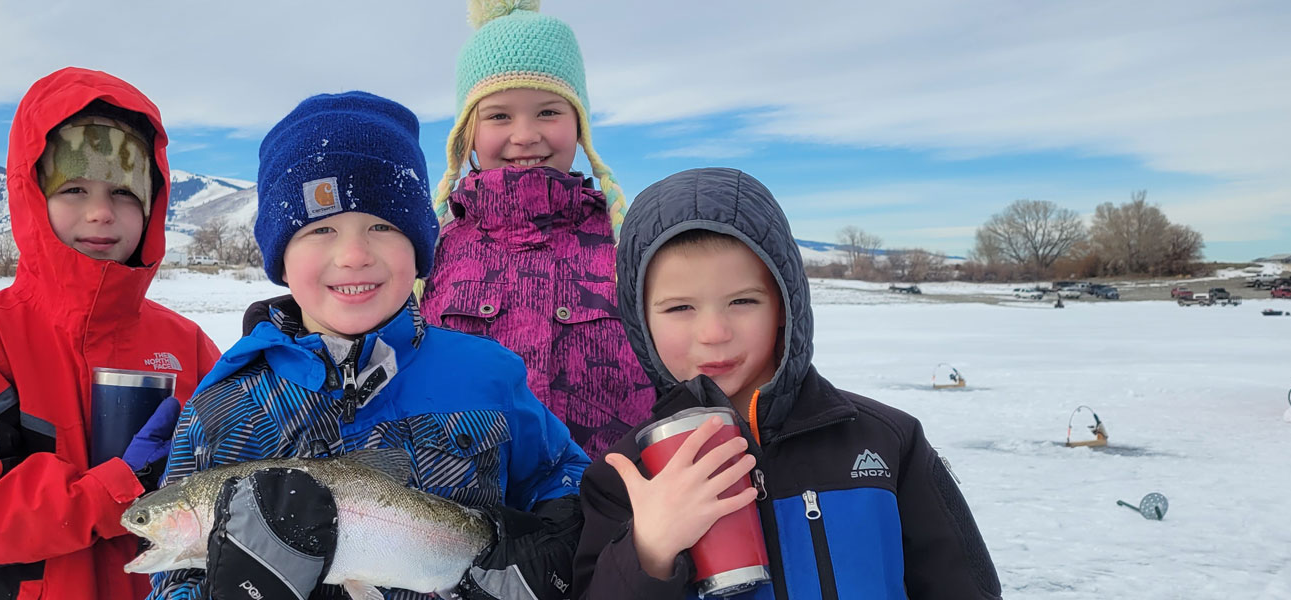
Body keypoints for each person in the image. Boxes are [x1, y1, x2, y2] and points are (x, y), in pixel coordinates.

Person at [148, 91, 588, 600]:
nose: (354, 254)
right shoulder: (222, 409)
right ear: (280, 256)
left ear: (418, 246)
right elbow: (172, 577)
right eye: (321, 229)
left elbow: (564, 473)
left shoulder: (488, 376)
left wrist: (553, 541)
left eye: (382, 226)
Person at [575, 168, 1002, 599]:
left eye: (742, 301)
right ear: (639, 320)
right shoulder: (626, 477)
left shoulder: (888, 443)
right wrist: (648, 549)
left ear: (785, 304)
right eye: (680, 307)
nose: (713, 333)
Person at [0, 67, 221, 600]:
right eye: (74, 189)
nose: (102, 213)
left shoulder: (186, 344)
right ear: (34, 196)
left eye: (125, 193)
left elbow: (231, 476)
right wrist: (114, 487)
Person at [423, 0, 653, 457]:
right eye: (499, 115)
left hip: (620, 514)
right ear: (467, 132)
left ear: (580, 124)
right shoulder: (430, 254)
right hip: (472, 513)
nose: (525, 134)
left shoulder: (631, 244)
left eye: (548, 112)